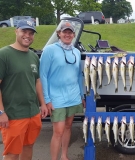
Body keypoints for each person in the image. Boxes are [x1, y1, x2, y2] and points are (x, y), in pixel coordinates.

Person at [0, 20, 48, 160]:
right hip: (13, 114)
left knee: (28, 146)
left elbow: (37, 81)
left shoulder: (33, 56)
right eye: (24, 32)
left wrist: (42, 104)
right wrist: (1, 112)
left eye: (31, 33)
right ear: (16, 31)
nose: (27, 36)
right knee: (12, 153)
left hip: (32, 113)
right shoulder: (4, 54)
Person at [40, 21, 86, 160]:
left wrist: (81, 94)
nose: (67, 34)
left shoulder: (76, 52)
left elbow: (78, 75)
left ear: (73, 34)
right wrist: (47, 99)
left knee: (68, 127)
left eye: (70, 32)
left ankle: (64, 155)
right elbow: (43, 75)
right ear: (58, 33)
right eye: (64, 31)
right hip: (56, 97)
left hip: (73, 96)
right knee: (58, 131)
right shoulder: (50, 50)